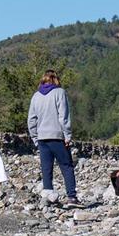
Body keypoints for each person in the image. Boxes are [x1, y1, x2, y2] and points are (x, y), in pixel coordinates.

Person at [26, 69, 78, 206]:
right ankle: (71, 197)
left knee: (46, 168)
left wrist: (35, 138)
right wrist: (67, 135)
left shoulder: (36, 96)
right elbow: (63, 116)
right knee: (66, 166)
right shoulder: (59, 92)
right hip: (57, 136)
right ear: (56, 80)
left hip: (42, 137)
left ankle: (49, 198)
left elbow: (31, 120)